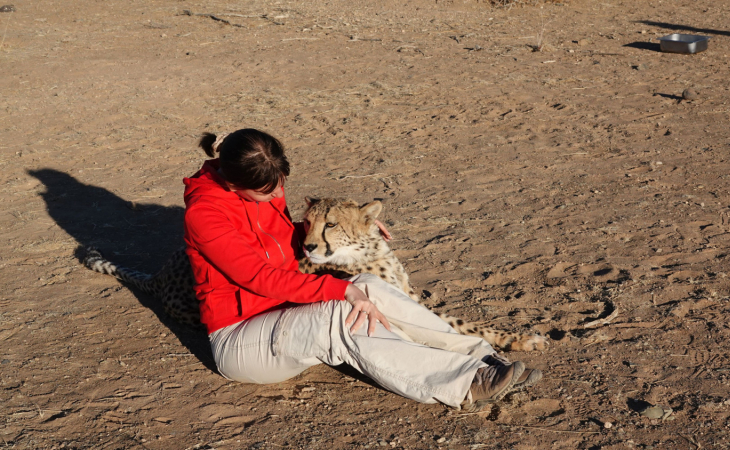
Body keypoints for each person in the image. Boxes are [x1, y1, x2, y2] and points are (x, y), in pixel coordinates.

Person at [182, 128, 542, 411]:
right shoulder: (205, 215)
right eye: (267, 190)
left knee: (368, 284)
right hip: (240, 340)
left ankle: (481, 356)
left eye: (281, 183)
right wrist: (341, 290)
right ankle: (463, 383)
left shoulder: (264, 183)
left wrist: (353, 229)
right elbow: (258, 276)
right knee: (339, 315)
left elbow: (280, 240)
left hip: (285, 317)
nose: (278, 193)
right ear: (233, 183)